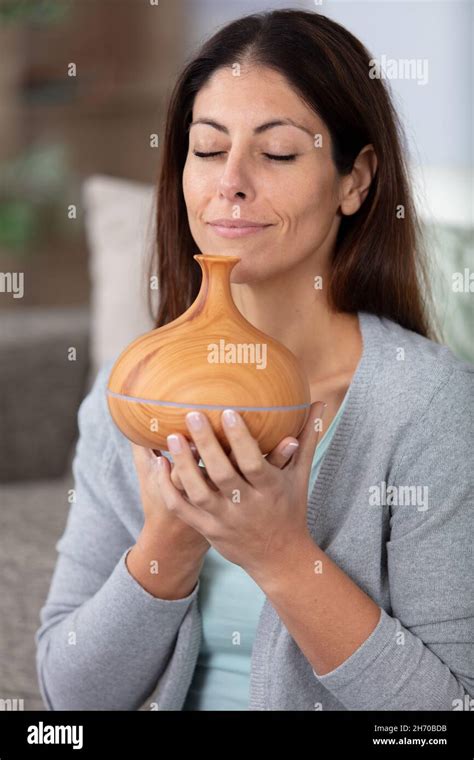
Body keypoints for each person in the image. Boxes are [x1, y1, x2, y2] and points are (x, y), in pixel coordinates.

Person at [35, 10, 473, 711]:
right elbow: (69, 699)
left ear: (355, 181)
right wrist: (169, 542)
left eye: (277, 153)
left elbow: (449, 715)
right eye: (207, 150)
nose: (229, 183)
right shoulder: (133, 393)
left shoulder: (426, 406)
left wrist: (278, 552)